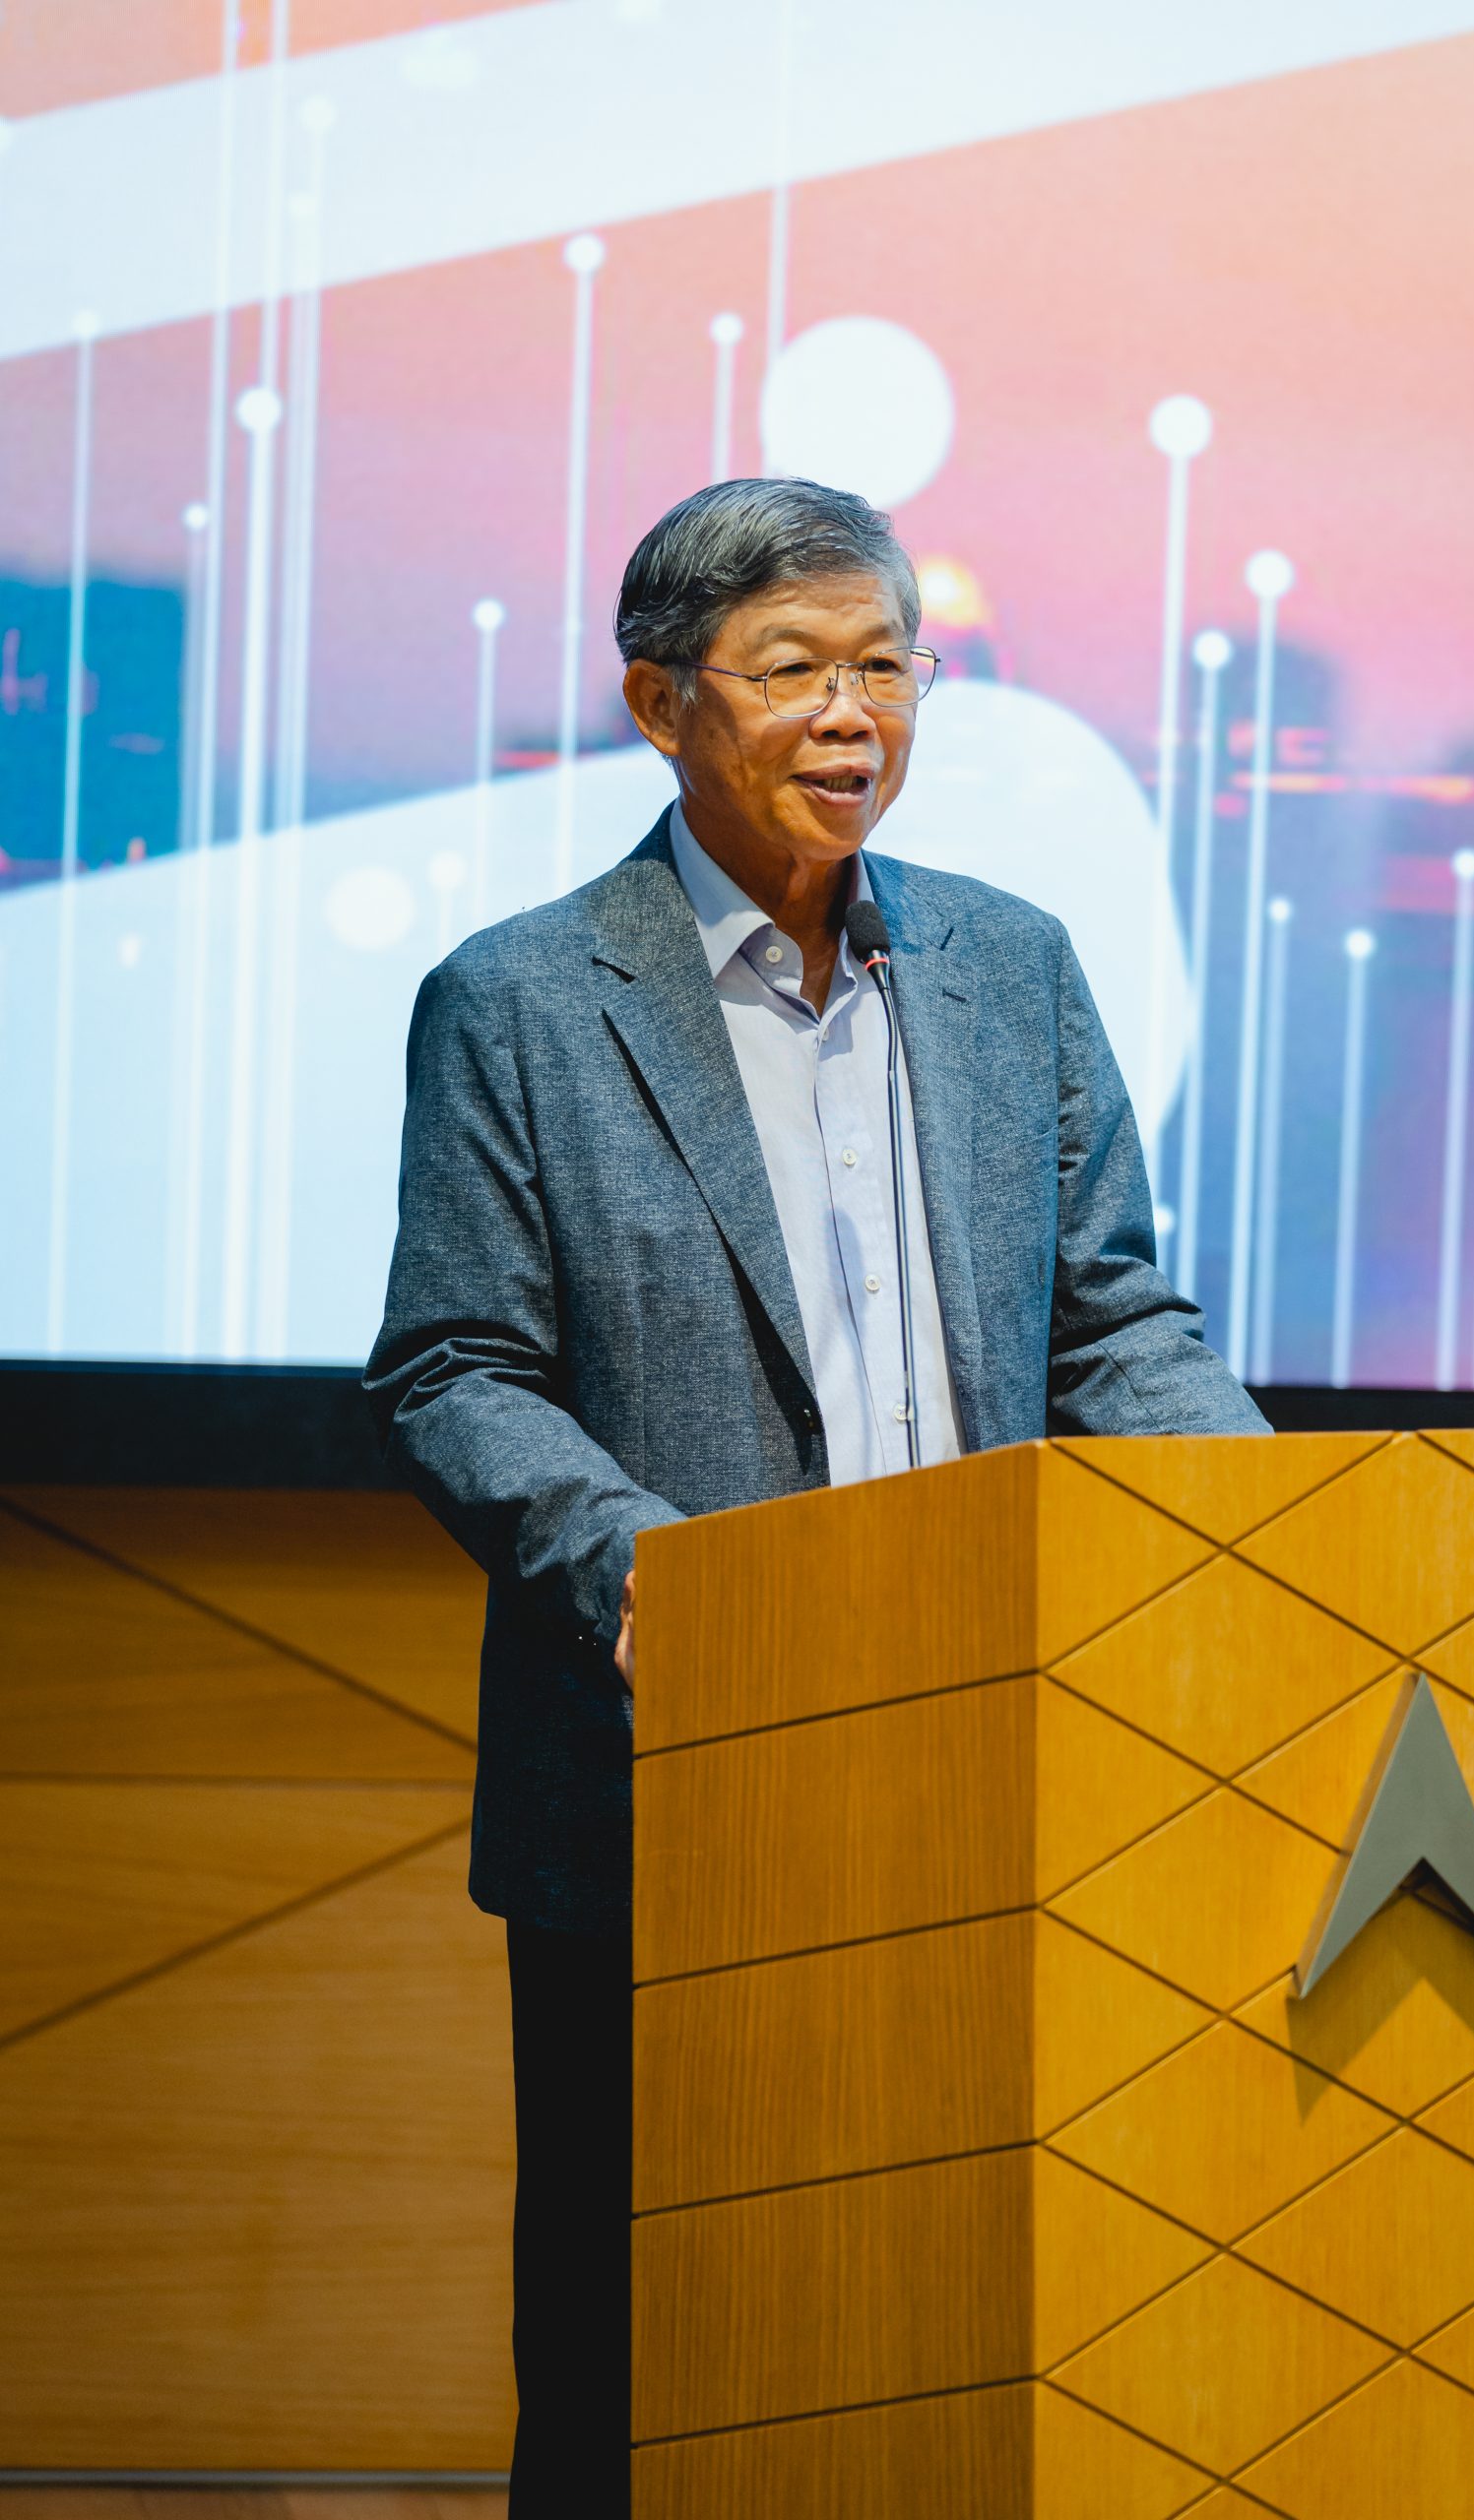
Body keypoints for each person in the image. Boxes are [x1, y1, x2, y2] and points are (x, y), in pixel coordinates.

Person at [364, 474, 1266, 2513]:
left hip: (996, 1763)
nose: (851, 713)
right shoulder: (523, 999)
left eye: (886, 664)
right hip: (672, 1771)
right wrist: (661, 1581)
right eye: (791, 668)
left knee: (963, 2322)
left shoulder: (1008, 968)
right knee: (650, 2355)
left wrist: (1266, 1527)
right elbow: (453, 1365)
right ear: (658, 700)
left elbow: (1111, 1318)